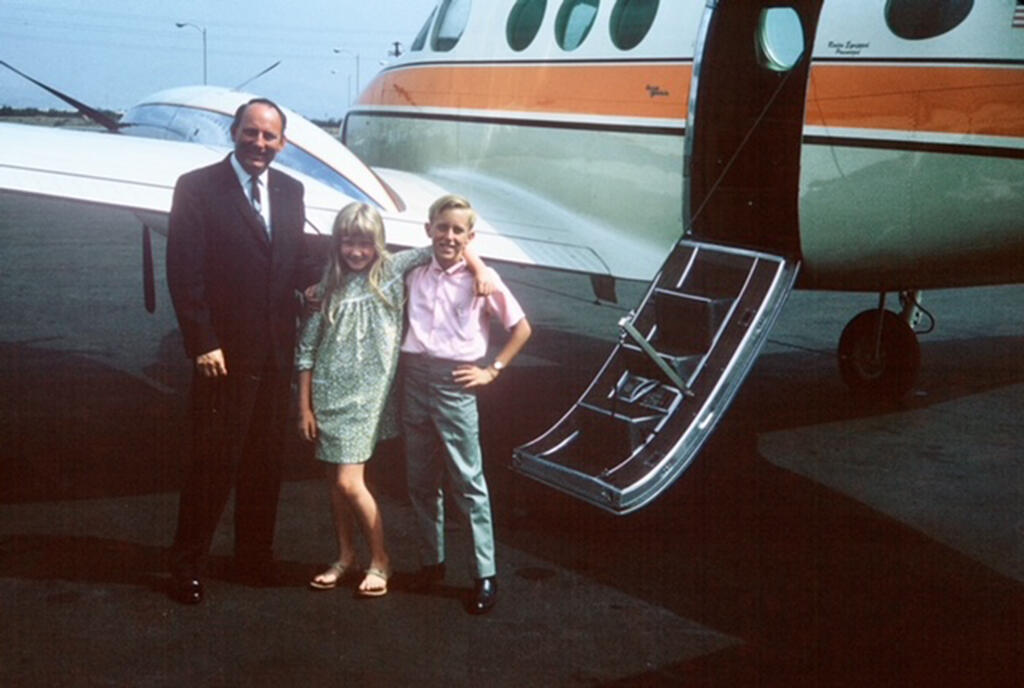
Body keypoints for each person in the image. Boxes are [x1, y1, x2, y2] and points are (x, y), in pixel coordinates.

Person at [165, 97, 321, 605]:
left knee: (264, 464)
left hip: (276, 352)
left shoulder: (292, 191)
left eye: (269, 136)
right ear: (233, 132)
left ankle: (253, 558)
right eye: (250, 133)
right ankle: (187, 564)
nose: (259, 144)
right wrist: (202, 340)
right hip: (224, 354)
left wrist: (317, 285)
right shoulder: (198, 188)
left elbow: (293, 263)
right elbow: (184, 272)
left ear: (282, 143)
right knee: (211, 461)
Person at [295, 202, 491, 598]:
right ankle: (345, 556)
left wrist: (480, 266)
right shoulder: (327, 286)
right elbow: (306, 350)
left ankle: (380, 558)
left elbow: (442, 242)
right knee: (335, 482)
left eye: (365, 244)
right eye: (349, 243)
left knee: (350, 483)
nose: (356, 252)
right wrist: (303, 406)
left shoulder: (391, 270)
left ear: (378, 244)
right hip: (327, 394)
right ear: (338, 244)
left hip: (365, 399)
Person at [401, 194, 531, 615]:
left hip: (457, 383)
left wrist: (492, 369)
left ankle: (484, 574)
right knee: (421, 480)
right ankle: (431, 563)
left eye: (459, 230)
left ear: (471, 237)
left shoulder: (484, 280)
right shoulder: (414, 272)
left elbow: (522, 328)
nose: (449, 236)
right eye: (442, 227)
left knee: (467, 481)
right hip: (415, 377)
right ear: (429, 230)